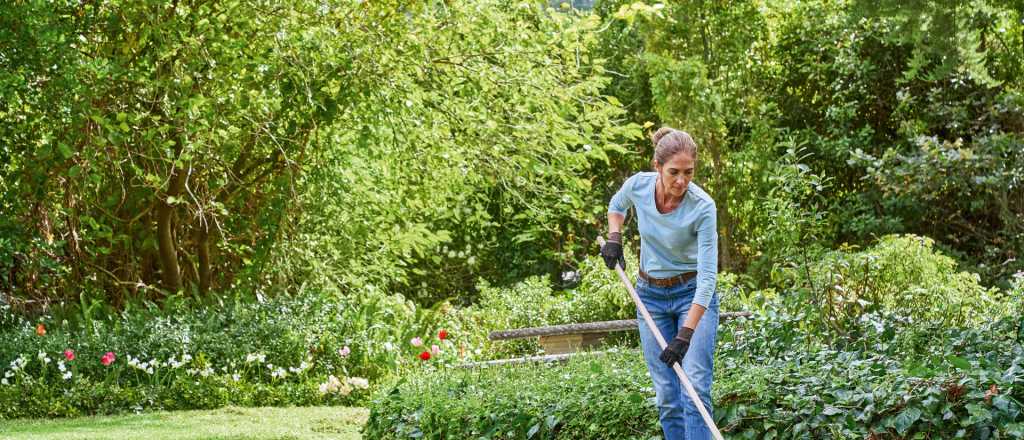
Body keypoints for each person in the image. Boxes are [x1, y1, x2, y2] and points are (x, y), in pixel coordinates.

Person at [601, 127, 719, 440]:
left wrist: (685, 335)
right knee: (667, 395)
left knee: (694, 387)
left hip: (693, 296)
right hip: (650, 298)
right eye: (674, 172)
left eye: (689, 172)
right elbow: (617, 205)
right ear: (657, 166)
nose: (681, 181)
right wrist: (615, 238)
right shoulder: (638, 185)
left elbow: (708, 279)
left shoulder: (703, 207)